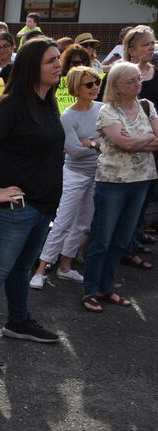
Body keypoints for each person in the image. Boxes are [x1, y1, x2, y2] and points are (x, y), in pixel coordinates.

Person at [0, 38, 65, 369]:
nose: (58, 64)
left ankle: (18, 321)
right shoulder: (12, 104)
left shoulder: (48, 101)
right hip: (13, 208)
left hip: (41, 205)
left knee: (22, 268)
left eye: (59, 58)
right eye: (51, 60)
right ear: (32, 66)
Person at [82, 62, 158, 312]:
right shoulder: (107, 111)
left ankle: (107, 287)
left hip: (141, 180)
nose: (138, 83)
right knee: (102, 238)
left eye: (139, 79)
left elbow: (135, 143)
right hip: (113, 182)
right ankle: (91, 290)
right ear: (117, 86)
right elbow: (124, 144)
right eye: (132, 81)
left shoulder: (147, 106)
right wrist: (146, 139)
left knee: (122, 239)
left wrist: (137, 140)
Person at [30, 67, 102, 290]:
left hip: (97, 173)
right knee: (62, 222)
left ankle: (65, 266)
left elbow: (106, 141)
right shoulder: (68, 116)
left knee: (83, 224)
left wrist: (91, 143)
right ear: (75, 88)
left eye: (97, 82)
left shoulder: (102, 109)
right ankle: (41, 269)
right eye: (88, 84)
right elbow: (72, 149)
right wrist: (97, 144)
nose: (95, 87)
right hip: (74, 174)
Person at [120, 25, 158, 269]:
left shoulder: (156, 71)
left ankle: (135, 236)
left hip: (154, 138)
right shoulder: (121, 74)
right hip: (130, 140)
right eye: (146, 44)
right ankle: (126, 245)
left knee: (147, 192)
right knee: (131, 196)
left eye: (153, 43)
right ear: (131, 50)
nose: (152, 47)